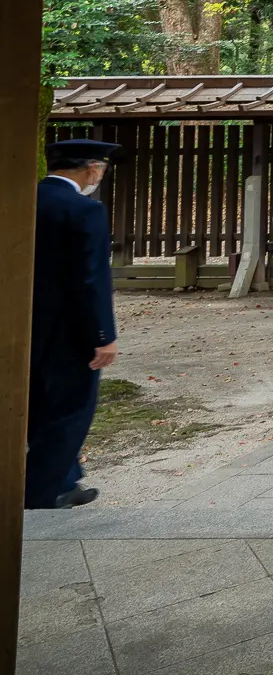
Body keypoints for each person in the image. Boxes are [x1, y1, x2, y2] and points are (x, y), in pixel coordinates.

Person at [29, 139, 122, 510]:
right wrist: (103, 336)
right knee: (70, 410)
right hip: (70, 330)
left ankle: (66, 480)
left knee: (36, 406)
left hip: (24, 327)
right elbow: (92, 279)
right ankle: (40, 492)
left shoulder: (23, 200)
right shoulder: (84, 210)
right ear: (91, 169)